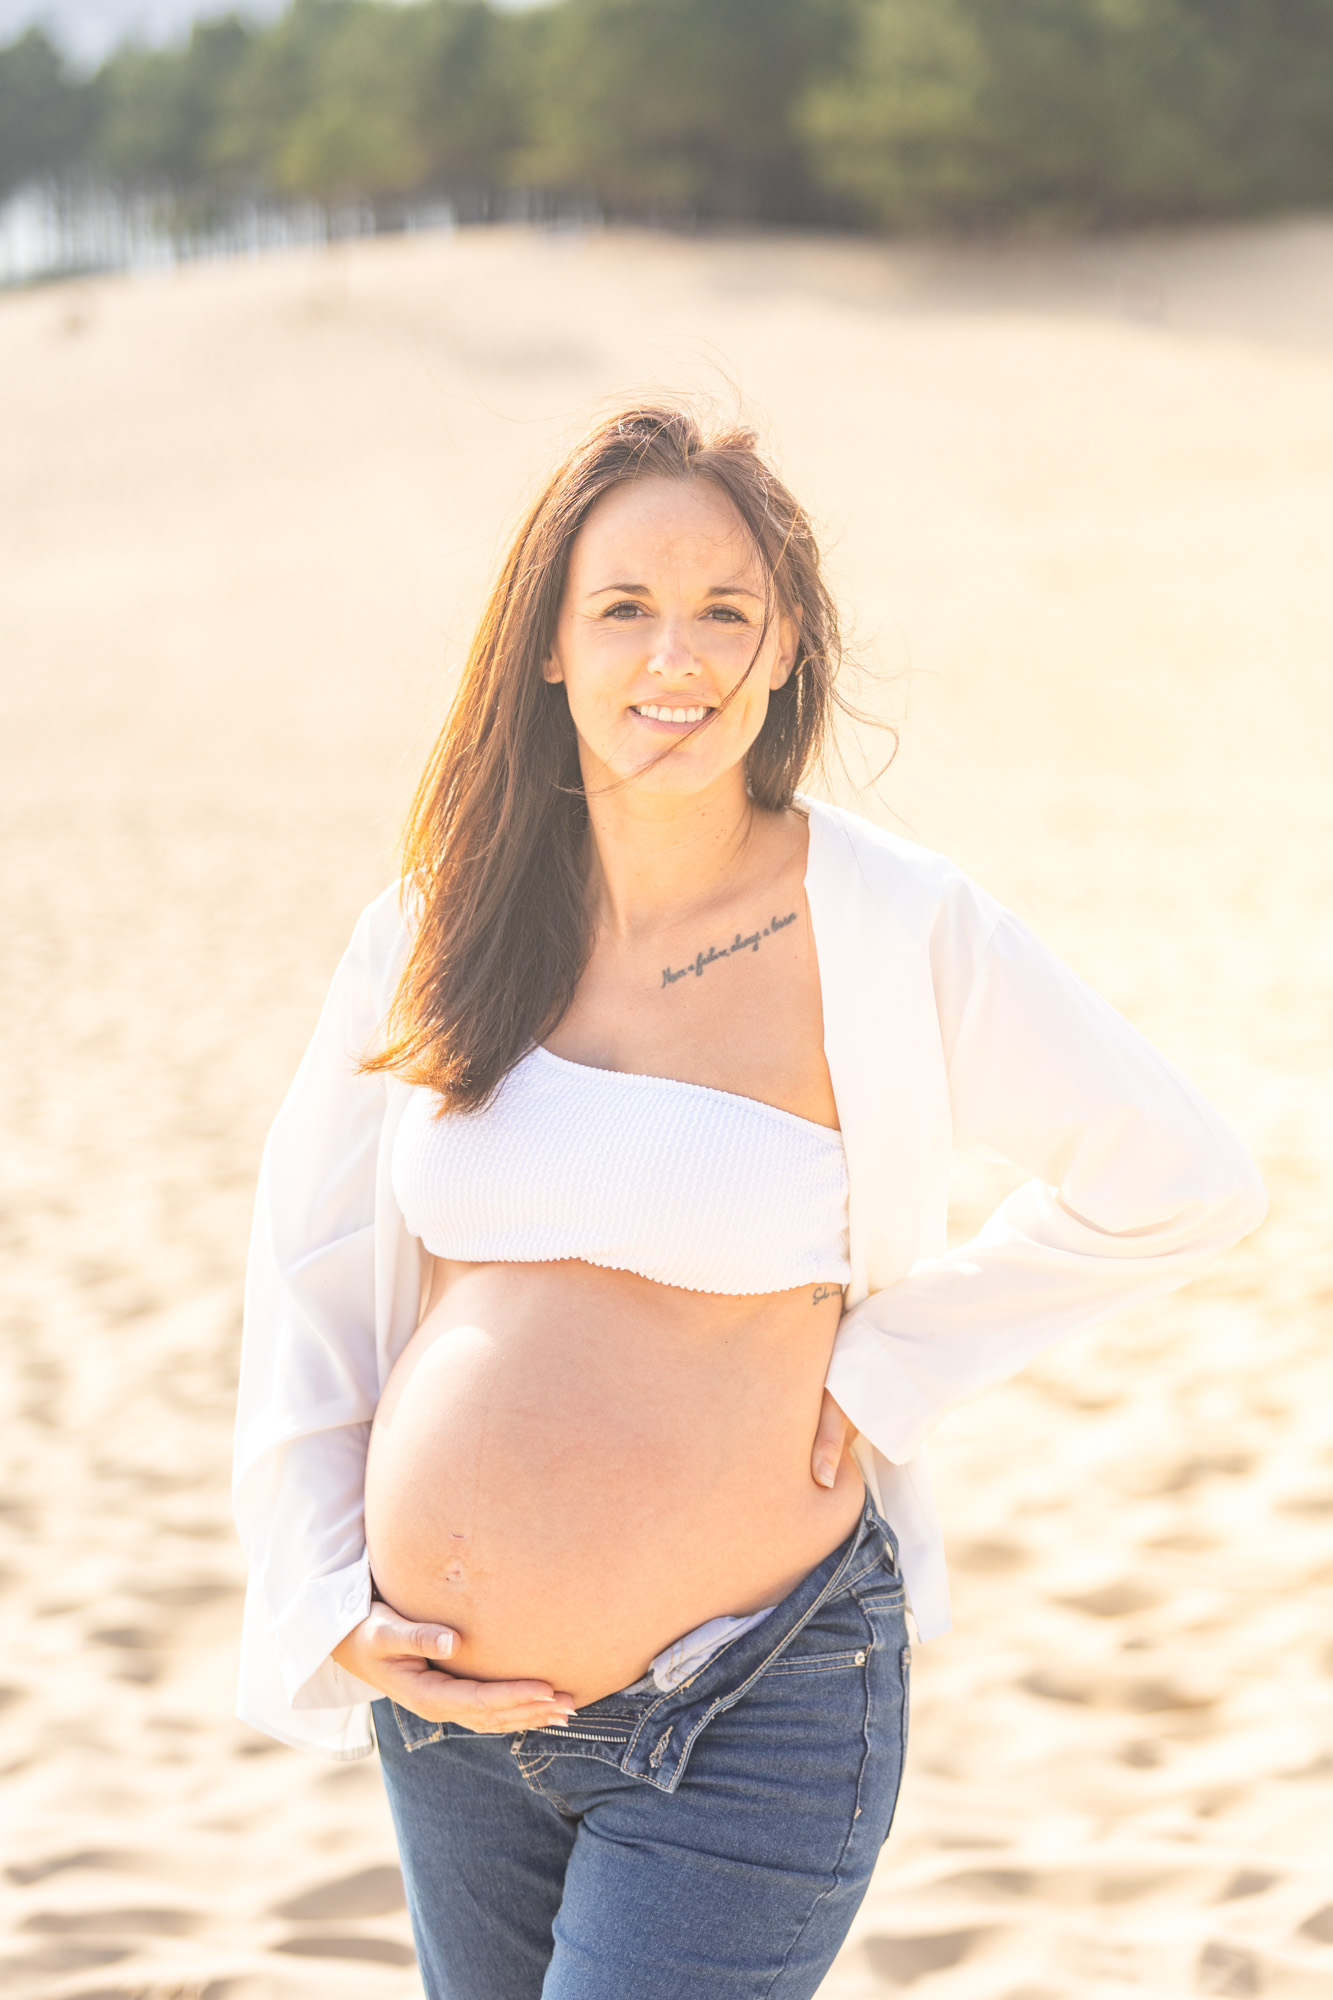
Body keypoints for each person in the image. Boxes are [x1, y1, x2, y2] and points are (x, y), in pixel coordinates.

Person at [233, 404, 1266, 1999]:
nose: (678, 654)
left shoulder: (887, 923)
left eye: (728, 610)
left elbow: (1177, 1178)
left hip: (750, 1698)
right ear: (550, 653)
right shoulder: (438, 922)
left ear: (788, 652)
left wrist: (895, 1362)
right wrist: (319, 1599)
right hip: (447, 1726)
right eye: (624, 608)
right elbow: (308, 1267)